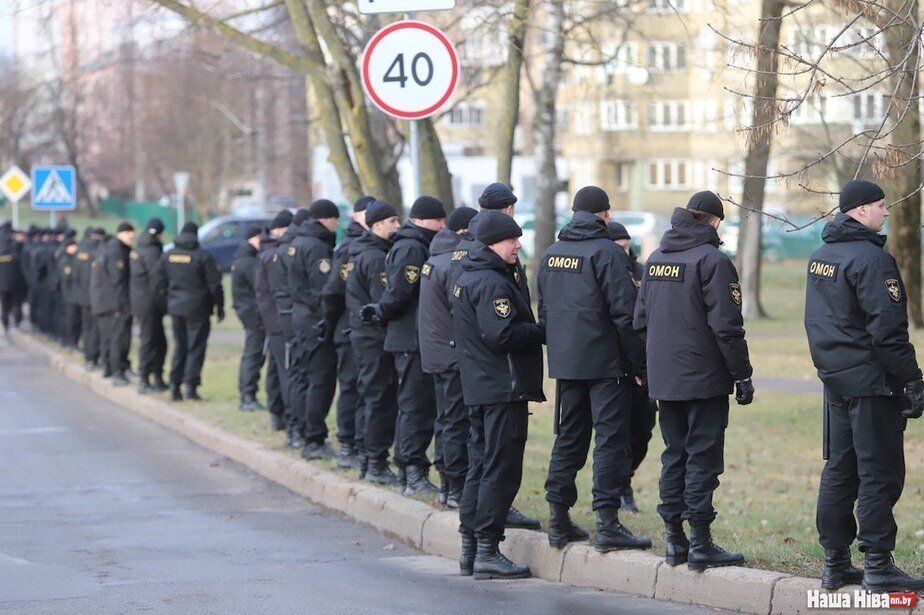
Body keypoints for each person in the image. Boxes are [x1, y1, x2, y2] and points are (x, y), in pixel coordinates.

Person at [805, 180, 924, 592]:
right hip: (872, 383)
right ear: (859, 211)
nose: (887, 212)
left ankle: (834, 564)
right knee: (879, 471)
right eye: (880, 205)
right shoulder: (872, 261)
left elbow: (817, 323)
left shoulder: (821, 256)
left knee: (840, 468)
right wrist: (912, 380)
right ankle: (877, 564)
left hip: (836, 381)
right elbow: (888, 332)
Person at [633, 191, 753, 572]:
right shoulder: (713, 261)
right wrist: (742, 374)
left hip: (665, 380)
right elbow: (727, 327)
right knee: (702, 458)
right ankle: (701, 543)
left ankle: (675, 541)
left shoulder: (655, 260)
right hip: (703, 381)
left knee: (674, 455)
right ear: (714, 222)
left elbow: (640, 322)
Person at [538, 187, 651, 552]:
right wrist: (639, 365)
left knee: (568, 439)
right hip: (606, 366)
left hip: (567, 364)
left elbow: (545, 312)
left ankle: (558, 520)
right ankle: (607, 522)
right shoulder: (608, 253)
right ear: (604, 214)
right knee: (610, 441)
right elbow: (625, 314)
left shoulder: (551, 254)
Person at [453, 211, 544, 580]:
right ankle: (488, 549)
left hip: (480, 387)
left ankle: (470, 549)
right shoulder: (491, 283)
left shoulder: (469, 276)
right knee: (499, 468)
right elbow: (501, 335)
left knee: (479, 465)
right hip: (500, 389)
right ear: (493, 243)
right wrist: (541, 331)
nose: (518, 246)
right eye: (513, 240)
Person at [361, 196, 447, 496]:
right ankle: (412, 471)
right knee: (416, 407)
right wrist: (381, 311)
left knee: (416, 406)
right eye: (439, 221)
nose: (443, 226)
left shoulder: (416, 244)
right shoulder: (412, 247)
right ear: (424, 221)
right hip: (410, 338)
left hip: (414, 337)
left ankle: (407, 467)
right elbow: (399, 293)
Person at [419, 206, 478, 507]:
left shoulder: (435, 257)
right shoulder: (454, 264)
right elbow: (462, 309)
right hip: (453, 353)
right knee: (456, 422)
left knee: (446, 420)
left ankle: (446, 484)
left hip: (438, 351)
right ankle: (455, 486)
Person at [346, 200, 400, 484]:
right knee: (380, 399)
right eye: (392, 221)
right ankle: (376, 462)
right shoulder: (376, 257)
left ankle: (367, 458)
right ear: (377, 225)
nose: (397, 226)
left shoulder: (361, 251)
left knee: (369, 397)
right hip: (374, 338)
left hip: (363, 336)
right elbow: (383, 302)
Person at [608, 221, 658, 513]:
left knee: (643, 430)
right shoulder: (603, 273)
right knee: (618, 433)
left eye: (627, 247)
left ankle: (626, 478)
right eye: (618, 247)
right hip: (615, 367)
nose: (623, 253)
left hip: (644, 363)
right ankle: (619, 489)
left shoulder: (641, 274)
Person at [287, 199, 341, 460]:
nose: (338, 224)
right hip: (316, 322)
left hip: (300, 319)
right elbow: (324, 291)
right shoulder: (317, 247)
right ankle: (314, 438)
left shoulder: (297, 242)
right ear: (326, 219)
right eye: (335, 219)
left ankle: (298, 431)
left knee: (303, 378)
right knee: (320, 381)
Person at [321, 196, 372, 469]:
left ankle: (365, 443)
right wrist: (331, 325)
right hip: (348, 328)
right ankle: (347, 444)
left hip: (368, 330)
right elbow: (333, 292)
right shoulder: (348, 250)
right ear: (357, 217)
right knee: (351, 386)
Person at [163, 222, 224, 401]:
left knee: (179, 347)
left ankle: (174, 386)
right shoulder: (203, 256)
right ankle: (190, 387)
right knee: (196, 348)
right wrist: (219, 306)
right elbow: (215, 285)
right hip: (198, 309)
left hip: (176, 308)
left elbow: (160, 282)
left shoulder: (168, 256)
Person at [255, 210, 295, 431]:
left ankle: (276, 413)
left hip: (271, 320)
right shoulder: (275, 255)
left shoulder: (266, 251)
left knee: (275, 369)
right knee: (285, 370)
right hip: (279, 321)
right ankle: (287, 417)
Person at [270, 209, 303, 448]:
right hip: (291, 318)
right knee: (294, 376)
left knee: (289, 374)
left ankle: (292, 426)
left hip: (282, 318)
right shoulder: (291, 251)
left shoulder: (277, 251)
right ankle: (295, 428)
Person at [90, 222, 135, 385]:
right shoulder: (117, 251)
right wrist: (122, 305)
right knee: (118, 337)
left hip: (101, 301)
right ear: (121, 234)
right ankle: (117, 372)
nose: (132, 238)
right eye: (130, 235)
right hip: (113, 302)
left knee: (108, 336)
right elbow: (118, 280)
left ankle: (109, 368)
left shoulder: (107, 248)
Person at [130, 218, 168, 394]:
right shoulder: (152, 251)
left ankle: (156, 378)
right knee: (151, 341)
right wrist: (164, 304)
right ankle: (146, 379)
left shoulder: (138, 248)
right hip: (150, 303)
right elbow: (158, 280)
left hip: (140, 301)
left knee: (156, 340)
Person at [232, 227, 267, 411]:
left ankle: (248, 395)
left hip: (247, 311)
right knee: (254, 353)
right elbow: (261, 285)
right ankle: (248, 396)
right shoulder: (249, 262)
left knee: (253, 352)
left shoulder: (242, 258)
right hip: (253, 313)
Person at [74, 228, 104, 369]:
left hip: (82, 296)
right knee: (96, 328)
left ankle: (88, 358)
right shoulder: (97, 253)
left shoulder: (79, 252)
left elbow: (76, 276)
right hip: (96, 297)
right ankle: (94, 357)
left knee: (87, 327)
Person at [0, 222, 27, 336]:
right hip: (16, 282)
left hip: (2, 283)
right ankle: (16, 322)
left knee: (5, 305)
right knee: (17, 303)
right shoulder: (16, 245)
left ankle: (5, 324)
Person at [58, 229, 82, 349]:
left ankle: (74, 342)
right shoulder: (66, 261)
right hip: (69, 295)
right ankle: (70, 341)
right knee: (71, 319)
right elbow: (67, 279)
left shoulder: (73, 259)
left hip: (74, 295)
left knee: (75, 319)